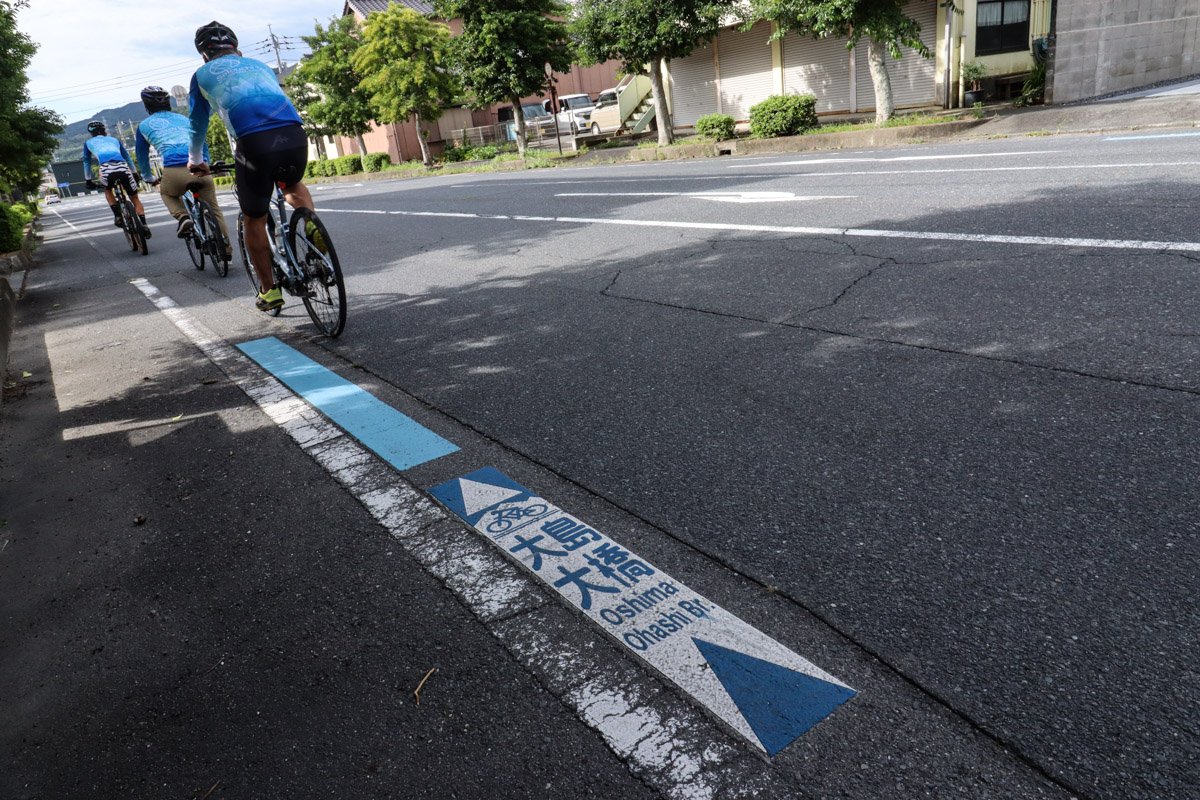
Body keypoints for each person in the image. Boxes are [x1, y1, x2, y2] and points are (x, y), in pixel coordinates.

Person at [186, 20, 314, 311]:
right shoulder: (261, 66)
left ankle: (269, 291)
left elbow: (197, 124)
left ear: (204, 55)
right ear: (236, 49)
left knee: (252, 219)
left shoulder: (201, 74)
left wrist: (196, 161)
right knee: (291, 184)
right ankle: (311, 224)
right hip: (294, 132)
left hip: (255, 143)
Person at [135, 86, 232, 256]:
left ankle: (183, 217)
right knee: (214, 210)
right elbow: (202, 142)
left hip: (174, 171)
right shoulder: (184, 119)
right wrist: (205, 164)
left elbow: (141, 156)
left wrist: (148, 177)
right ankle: (226, 250)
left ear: (146, 106)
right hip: (199, 168)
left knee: (166, 193)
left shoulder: (143, 126)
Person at [82, 121, 150, 237]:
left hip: (106, 169)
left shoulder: (88, 143)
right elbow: (127, 157)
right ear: (105, 132)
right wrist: (134, 173)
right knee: (134, 197)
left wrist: (88, 180)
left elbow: (86, 162)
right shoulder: (114, 140)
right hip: (123, 167)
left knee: (108, 189)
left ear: (91, 134)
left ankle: (117, 215)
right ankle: (144, 224)